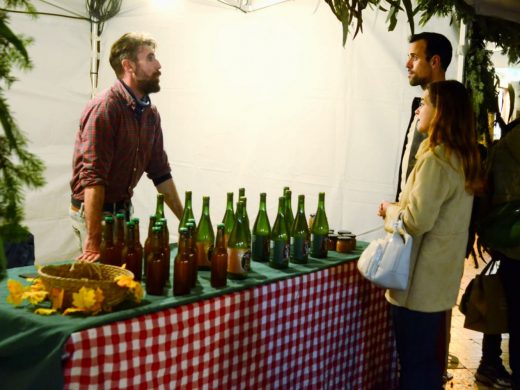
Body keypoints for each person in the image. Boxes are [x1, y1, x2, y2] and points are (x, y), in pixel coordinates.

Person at [379, 80, 482, 388]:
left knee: (415, 367)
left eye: (425, 103)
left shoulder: (436, 160)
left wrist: (389, 210)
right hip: (437, 281)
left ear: (441, 112)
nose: (419, 109)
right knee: (426, 362)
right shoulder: (459, 157)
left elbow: (416, 221)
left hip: (418, 285)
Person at [70, 32, 183, 263]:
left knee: (127, 277)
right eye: (150, 58)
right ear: (128, 66)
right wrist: (93, 241)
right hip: (95, 213)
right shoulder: (105, 108)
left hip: (122, 211)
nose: (159, 65)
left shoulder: (150, 114)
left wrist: (186, 220)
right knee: (104, 287)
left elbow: (160, 172)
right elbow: (93, 177)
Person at [475, 118, 520, 389]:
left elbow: (487, 189)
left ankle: (490, 361)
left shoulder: (505, 143)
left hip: (504, 237)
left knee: (501, 302)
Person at [397, 32, 452, 200]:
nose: (407, 64)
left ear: (434, 61)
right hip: (406, 214)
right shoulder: (419, 106)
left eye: (414, 57)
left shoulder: (450, 111)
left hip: (424, 218)